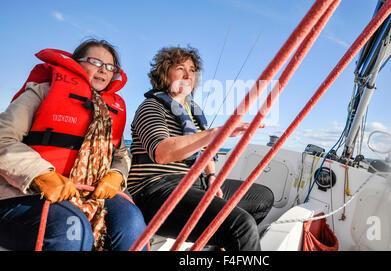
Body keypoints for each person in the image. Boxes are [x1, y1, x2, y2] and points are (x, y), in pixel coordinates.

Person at [0, 39, 147, 251]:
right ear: (76, 63)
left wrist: (116, 174)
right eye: (95, 62)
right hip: (24, 194)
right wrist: (40, 175)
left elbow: (120, 153)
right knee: (72, 227)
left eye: (110, 67)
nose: (103, 70)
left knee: (131, 221)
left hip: (91, 192)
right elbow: (3, 137)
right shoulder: (42, 91)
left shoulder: (111, 110)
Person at [127, 46, 274, 251]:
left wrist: (212, 178)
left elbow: (205, 152)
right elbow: (162, 152)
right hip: (157, 190)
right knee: (241, 225)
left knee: (263, 198)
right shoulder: (152, 106)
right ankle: (232, 237)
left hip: (195, 183)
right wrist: (214, 133)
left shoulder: (193, 112)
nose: (188, 74)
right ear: (164, 73)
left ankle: (224, 243)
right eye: (180, 67)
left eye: (192, 70)